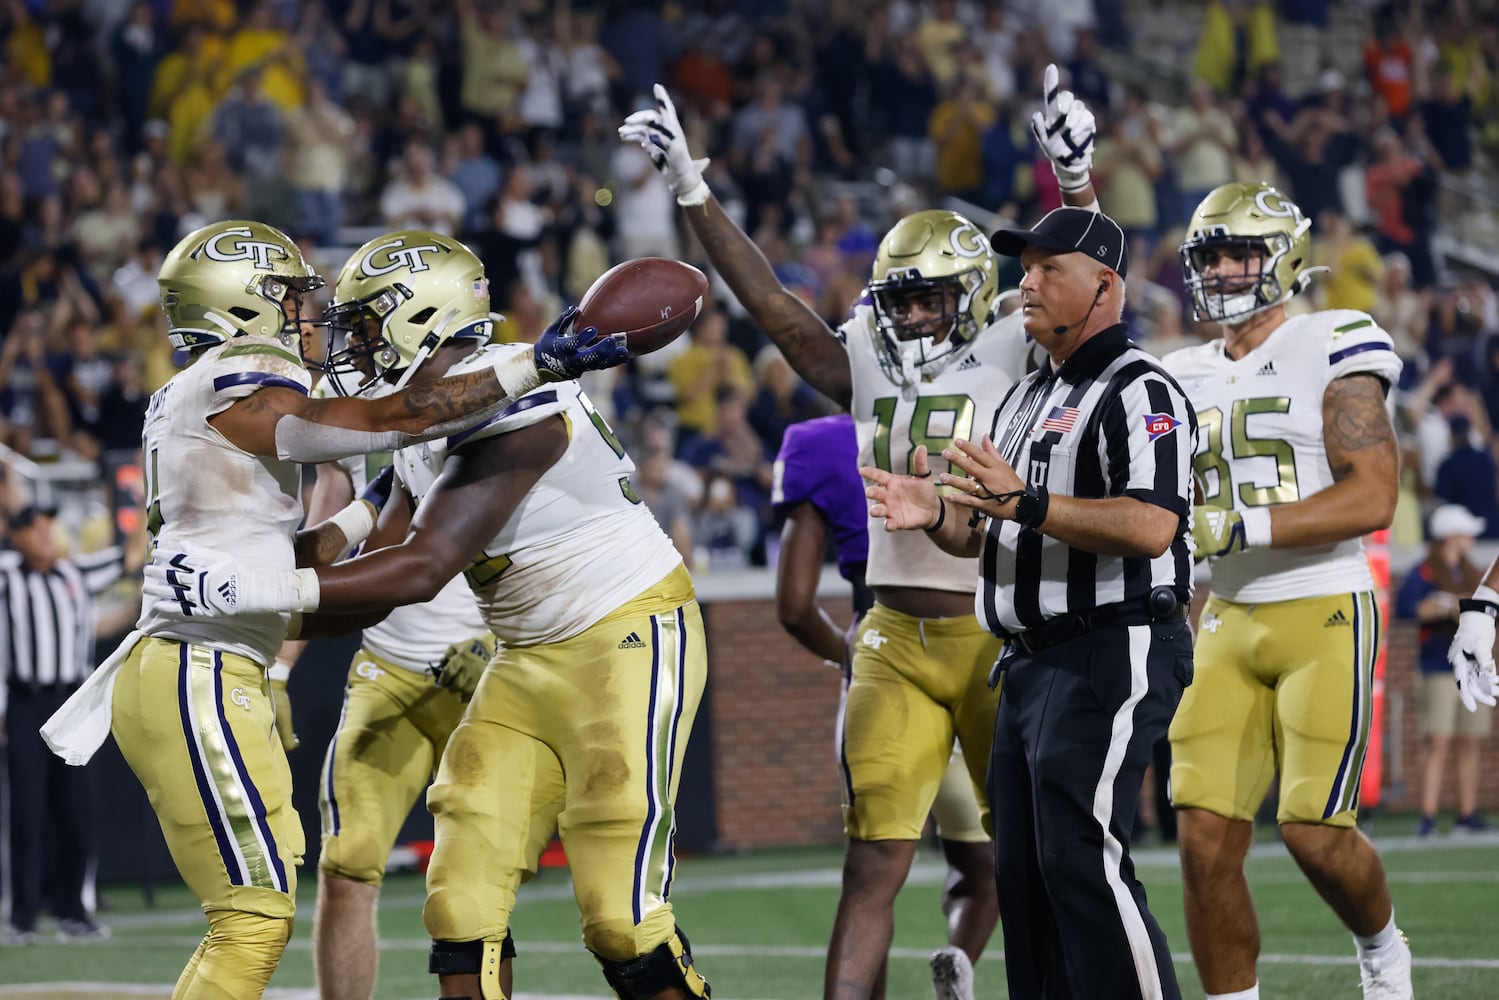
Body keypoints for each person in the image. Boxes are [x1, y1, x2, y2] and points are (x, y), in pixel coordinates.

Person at [38, 219, 626, 1000]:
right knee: (249, 920)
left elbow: (292, 555)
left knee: (264, 902)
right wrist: (532, 363)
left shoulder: (210, 389)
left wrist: (371, 504)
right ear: (239, 307)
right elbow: (398, 417)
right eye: (289, 298)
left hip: (209, 664)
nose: (311, 314)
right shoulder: (239, 375)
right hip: (195, 668)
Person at [620, 65, 1101, 1000]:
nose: (910, 314)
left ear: (972, 292)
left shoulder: (1015, 337)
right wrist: (692, 190)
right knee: (870, 870)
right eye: (900, 297)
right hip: (890, 639)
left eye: (928, 298)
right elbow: (772, 308)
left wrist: (1073, 184)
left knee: (1038, 861)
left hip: (1007, 632)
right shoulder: (869, 348)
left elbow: (1088, 281)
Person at [862, 206, 1195, 1000]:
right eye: (1026, 268)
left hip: (1111, 643)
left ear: (1104, 286)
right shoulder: (1021, 399)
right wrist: (936, 514)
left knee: (1083, 858)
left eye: (1050, 270)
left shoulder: (1141, 386)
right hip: (1025, 659)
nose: (1027, 285)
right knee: (1027, 880)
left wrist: (1030, 502)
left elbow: (1152, 525)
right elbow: (988, 533)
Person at [1161, 181, 1411, 1000]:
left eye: (1240, 252)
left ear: (1284, 258)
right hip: (1225, 615)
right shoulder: (1177, 371)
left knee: (1311, 831)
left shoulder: (1333, 338)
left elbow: (1373, 495)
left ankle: (1380, 950)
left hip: (1322, 601)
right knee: (1200, 840)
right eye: (1210, 256)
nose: (1224, 270)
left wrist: (1243, 526)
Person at [770, 413, 997, 1000]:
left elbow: (793, 606)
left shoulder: (817, 442)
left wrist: (848, 657)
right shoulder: (989, 406)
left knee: (874, 873)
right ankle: (959, 958)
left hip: (883, 657)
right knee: (993, 865)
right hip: (985, 649)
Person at [270, 401, 491, 998]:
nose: (356, 338)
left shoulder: (499, 394)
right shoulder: (356, 392)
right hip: (387, 666)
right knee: (346, 865)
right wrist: (279, 665)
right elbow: (343, 509)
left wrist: (511, 645)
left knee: (481, 879)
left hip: (482, 672)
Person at [0, 505, 142, 945]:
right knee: (27, 811)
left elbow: (130, 557)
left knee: (77, 809)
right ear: (17, 537)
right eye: (35, 530)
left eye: (48, 528)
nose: (46, 536)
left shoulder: (77, 572)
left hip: (72, 703)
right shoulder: (7, 576)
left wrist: (141, 503)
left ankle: (72, 911)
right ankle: (22, 915)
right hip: (26, 701)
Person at [1397, 503, 1489, 836]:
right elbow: (1408, 609)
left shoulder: (1472, 570)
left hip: (1471, 668)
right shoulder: (1423, 571)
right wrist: (1442, 607)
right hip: (1437, 665)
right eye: (1465, 532)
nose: (1470, 538)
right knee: (1436, 740)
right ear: (1450, 536)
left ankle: (1467, 813)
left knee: (1470, 740)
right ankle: (1428, 815)